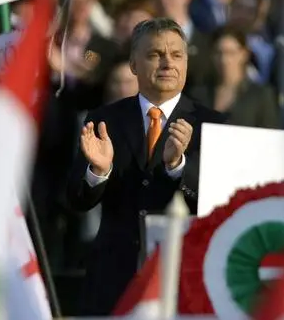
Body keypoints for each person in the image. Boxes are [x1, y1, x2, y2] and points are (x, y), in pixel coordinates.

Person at [66, 18, 225, 315]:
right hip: (113, 282)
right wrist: (99, 171)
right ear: (133, 65)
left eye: (176, 55)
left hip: (181, 281)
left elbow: (219, 207)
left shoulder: (213, 125)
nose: (167, 63)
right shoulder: (103, 120)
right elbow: (76, 199)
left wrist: (178, 166)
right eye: (155, 54)